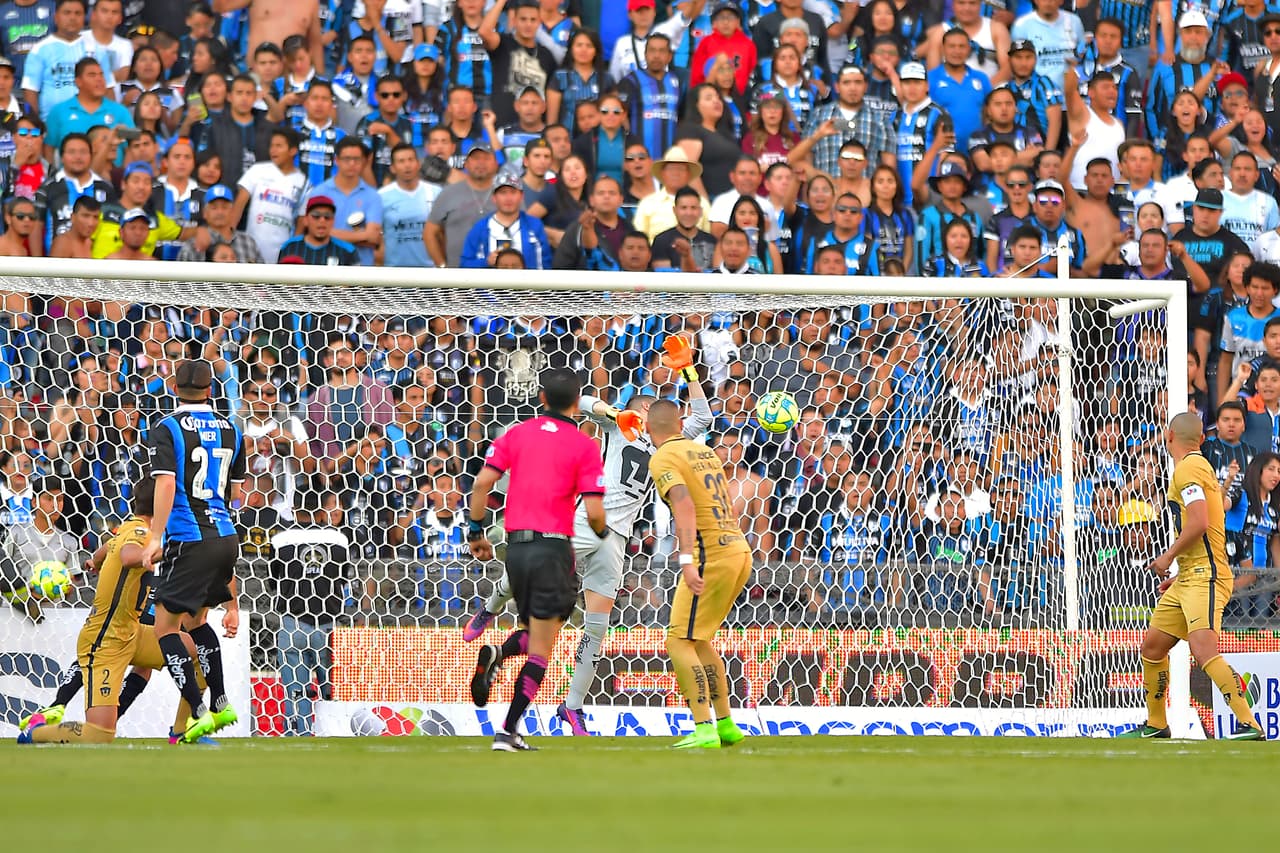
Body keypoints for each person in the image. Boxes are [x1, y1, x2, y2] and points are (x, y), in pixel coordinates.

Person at [464, 337, 715, 735]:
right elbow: (580, 403)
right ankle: (490, 608)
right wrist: (615, 412)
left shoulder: (670, 440)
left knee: (596, 627)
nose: (655, 410)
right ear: (638, 410)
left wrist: (688, 371)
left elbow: (704, 416)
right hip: (584, 522)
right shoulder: (619, 427)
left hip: (617, 539)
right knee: (538, 565)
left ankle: (572, 706)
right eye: (647, 405)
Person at [465, 367, 607, 752]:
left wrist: (476, 533)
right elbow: (595, 512)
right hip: (553, 549)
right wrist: (602, 532)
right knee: (543, 647)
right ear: (577, 403)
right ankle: (508, 730)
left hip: (516, 550)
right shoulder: (583, 445)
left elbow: (481, 483)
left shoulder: (515, 434)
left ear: (541, 398)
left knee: (539, 630)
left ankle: (500, 652)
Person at [17, 477, 209, 744]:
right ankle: (35, 733)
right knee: (100, 734)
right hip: (105, 640)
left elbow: (106, 549)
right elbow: (128, 556)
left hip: (132, 633)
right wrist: (171, 551)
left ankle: (181, 731)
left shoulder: (131, 528)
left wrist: (94, 562)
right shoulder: (140, 534)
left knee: (198, 650)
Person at [1118, 412, 1265, 740]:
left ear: (1169, 436)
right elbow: (1212, 517)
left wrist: (1168, 557)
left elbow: (1198, 522)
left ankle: (1249, 723)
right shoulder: (1199, 468)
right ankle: (1157, 724)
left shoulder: (1187, 470)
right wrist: (1181, 570)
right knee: (1153, 647)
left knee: (1203, 649)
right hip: (1190, 575)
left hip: (1205, 575)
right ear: (1200, 439)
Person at [141, 359, 246, 744]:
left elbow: (166, 484)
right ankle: (220, 702)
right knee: (197, 621)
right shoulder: (232, 428)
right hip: (225, 536)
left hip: (188, 538)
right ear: (210, 390)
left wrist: (156, 536)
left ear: (173, 387)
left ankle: (199, 712)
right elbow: (236, 491)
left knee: (165, 627)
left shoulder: (167, 427)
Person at [646, 396, 752, 748]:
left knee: (678, 640)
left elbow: (683, 503)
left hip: (711, 556)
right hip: (738, 549)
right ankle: (725, 724)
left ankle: (703, 727)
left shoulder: (663, 457)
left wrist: (687, 560)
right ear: (681, 424)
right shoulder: (704, 451)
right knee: (699, 639)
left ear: (647, 427)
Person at [270, 489, 354, 736]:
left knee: (296, 689)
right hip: (329, 625)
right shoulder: (339, 539)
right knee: (332, 689)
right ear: (321, 510)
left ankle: (298, 733)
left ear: (294, 509)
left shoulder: (280, 540)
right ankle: (337, 733)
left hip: (293, 623)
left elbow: (274, 581)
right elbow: (342, 578)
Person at [277, 195, 361, 265]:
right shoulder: (289, 247)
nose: (322, 220)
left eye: (327, 216)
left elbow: (356, 279)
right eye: (316, 216)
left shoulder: (347, 251)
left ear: (333, 221)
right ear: (306, 220)